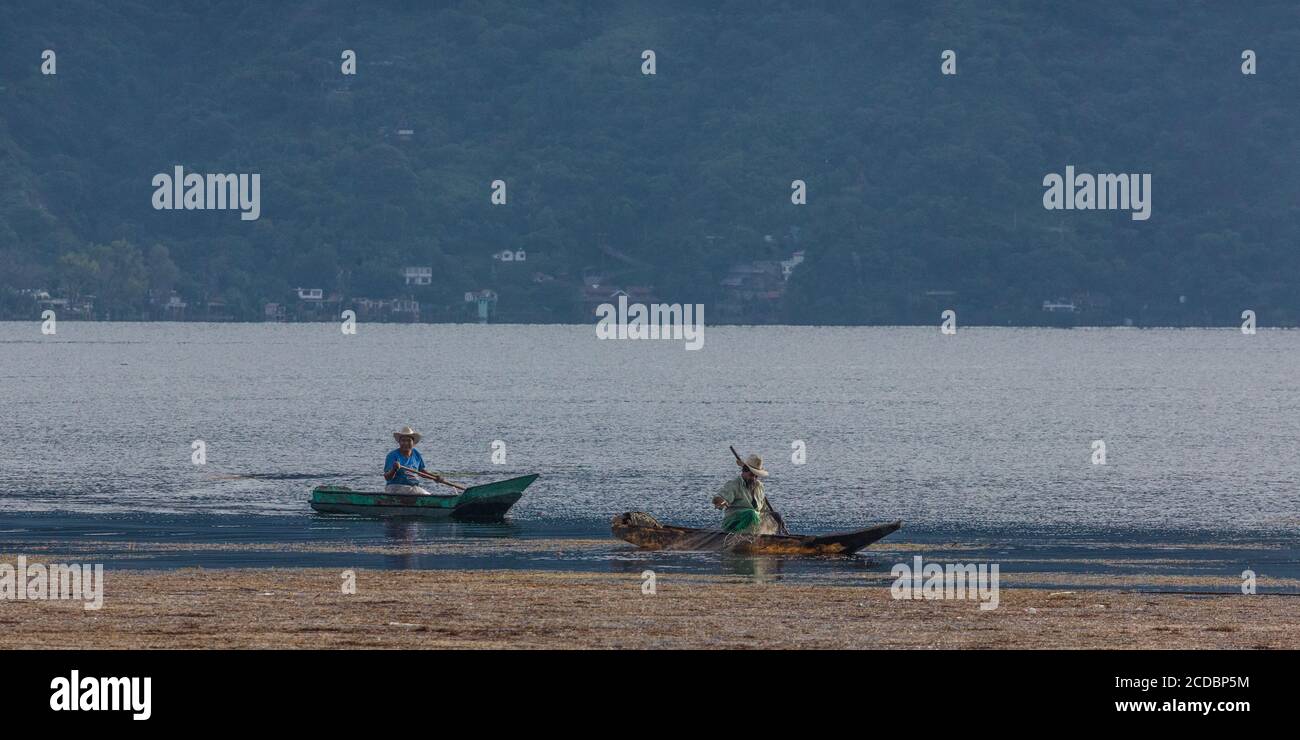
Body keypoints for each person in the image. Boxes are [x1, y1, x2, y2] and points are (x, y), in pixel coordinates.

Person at [712, 453, 769, 533]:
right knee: (751, 514)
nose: (754, 478)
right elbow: (719, 498)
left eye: (756, 476)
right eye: (752, 475)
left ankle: (756, 538)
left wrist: (774, 516)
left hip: (752, 528)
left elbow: (763, 510)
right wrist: (720, 501)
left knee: (770, 517)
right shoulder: (734, 485)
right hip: (733, 525)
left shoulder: (759, 487)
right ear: (744, 471)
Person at [383, 426, 445, 495]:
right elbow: (387, 477)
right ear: (399, 442)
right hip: (395, 488)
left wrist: (435, 477)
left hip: (412, 488)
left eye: (409, 440)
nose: (406, 443)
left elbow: (421, 472)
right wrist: (394, 469)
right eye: (403, 440)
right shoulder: (392, 455)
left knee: (423, 493)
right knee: (424, 494)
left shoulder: (416, 454)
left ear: (413, 443)